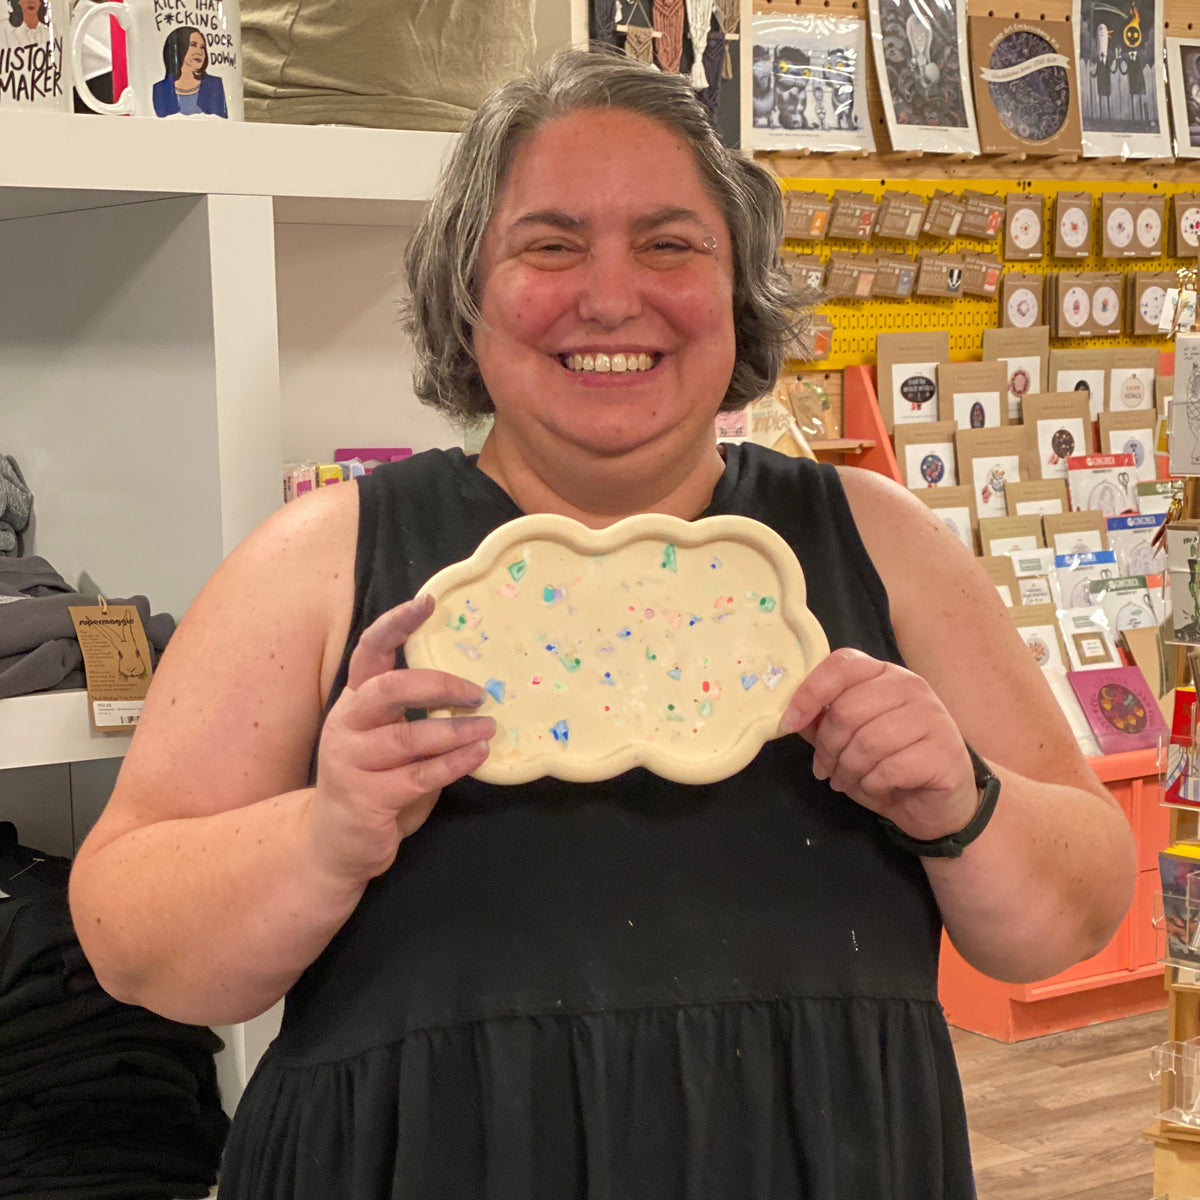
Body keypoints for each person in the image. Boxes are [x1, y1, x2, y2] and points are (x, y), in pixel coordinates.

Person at [69, 48, 1136, 1199]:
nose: (613, 295)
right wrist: (325, 833)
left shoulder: (879, 542)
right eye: (550, 243)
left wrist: (961, 801)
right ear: (466, 287)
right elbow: (133, 940)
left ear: (739, 289)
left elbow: (1069, 918)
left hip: (825, 1156)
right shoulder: (325, 559)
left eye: (672, 243)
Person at [152, 26, 227, 118]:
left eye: (202, 47)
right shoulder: (160, 88)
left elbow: (223, 124)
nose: (200, 52)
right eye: (193, 45)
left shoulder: (214, 84)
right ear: (179, 47)